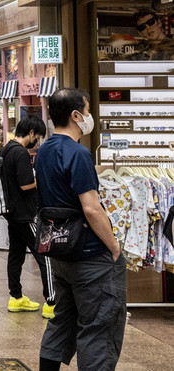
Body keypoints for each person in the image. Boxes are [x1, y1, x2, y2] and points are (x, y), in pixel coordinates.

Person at [35, 89, 125, 371]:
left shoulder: (45, 150)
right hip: (89, 254)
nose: (89, 117)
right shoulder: (78, 152)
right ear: (75, 116)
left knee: (62, 320)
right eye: (87, 111)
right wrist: (113, 247)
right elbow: (91, 208)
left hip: (60, 250)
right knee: (99, 326)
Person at [0, 116, 55, 318]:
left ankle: (16, 297)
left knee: (16, 255)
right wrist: (41, 181)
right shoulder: (20, 153)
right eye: (38, 137)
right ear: (31, 132)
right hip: (26, 213)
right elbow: (25, 185)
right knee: (45, 255)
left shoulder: (6, 149)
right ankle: (52, 301)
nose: (37, 141)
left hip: (12, 212)